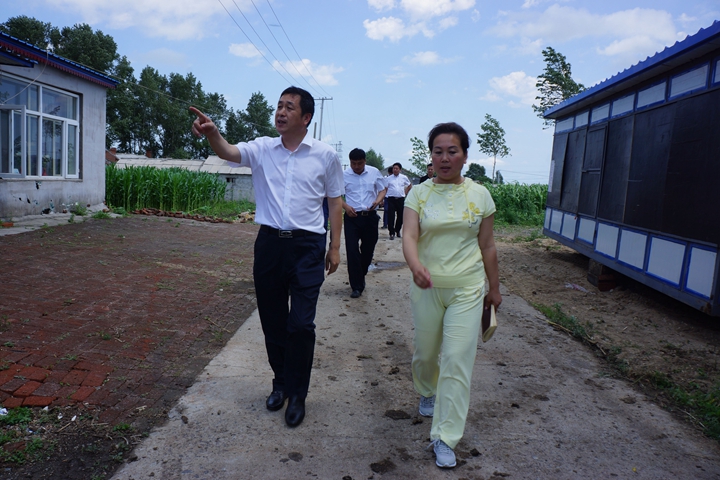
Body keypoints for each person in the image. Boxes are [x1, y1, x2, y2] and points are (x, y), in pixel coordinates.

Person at [190, 86, 344, 428]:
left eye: (289, 107)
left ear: (306, 118)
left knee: (300, 324)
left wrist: (335, 247)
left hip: (308, 247)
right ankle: (281, 383)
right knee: (273, 322)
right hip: (270, 245)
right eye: (279, 106)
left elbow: (335, 201)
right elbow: (229, 152)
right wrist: (213, 133)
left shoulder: (325, 156)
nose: (281, 112)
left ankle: (298, 394)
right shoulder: (262, 148)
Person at [402, 122, 501, 469]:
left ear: (464, 156)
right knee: (426, 354)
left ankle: (445, 436)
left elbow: (487, 245)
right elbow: (409, 235)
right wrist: (415, 265)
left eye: (452, 151)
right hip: (427, 286)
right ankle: (426, 390)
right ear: (431, 156)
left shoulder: (480, 195)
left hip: (467, 288)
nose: (444, 158)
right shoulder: (419, 193)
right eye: (438, 151)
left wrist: (494, 288)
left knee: (457, 360)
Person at [342, 148, 387, 299]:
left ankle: (361, 274)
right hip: (352, 218)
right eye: (353, 163)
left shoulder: (374, 172)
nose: (356, 166)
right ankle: (356, 286)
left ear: (365, 161)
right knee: (352, 251)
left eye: (359, 163)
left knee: (368, 251)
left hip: (370, 218)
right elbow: (335, 195)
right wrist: (345, 207)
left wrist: (378, 201)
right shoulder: (344, 175)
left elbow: (382, 190)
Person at [385, 162, 411, 240]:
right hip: (391, 199)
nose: (395, 170)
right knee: (391, 216)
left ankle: (397, 230)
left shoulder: (404, 177)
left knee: (400, 216)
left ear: (400, 170)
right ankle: (391, 232)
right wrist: (385, 196)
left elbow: (409, 185)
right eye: (394, 168)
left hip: (400, 199)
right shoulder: (388, 178)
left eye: (397, 168)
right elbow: (385, 187)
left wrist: (405, 193)